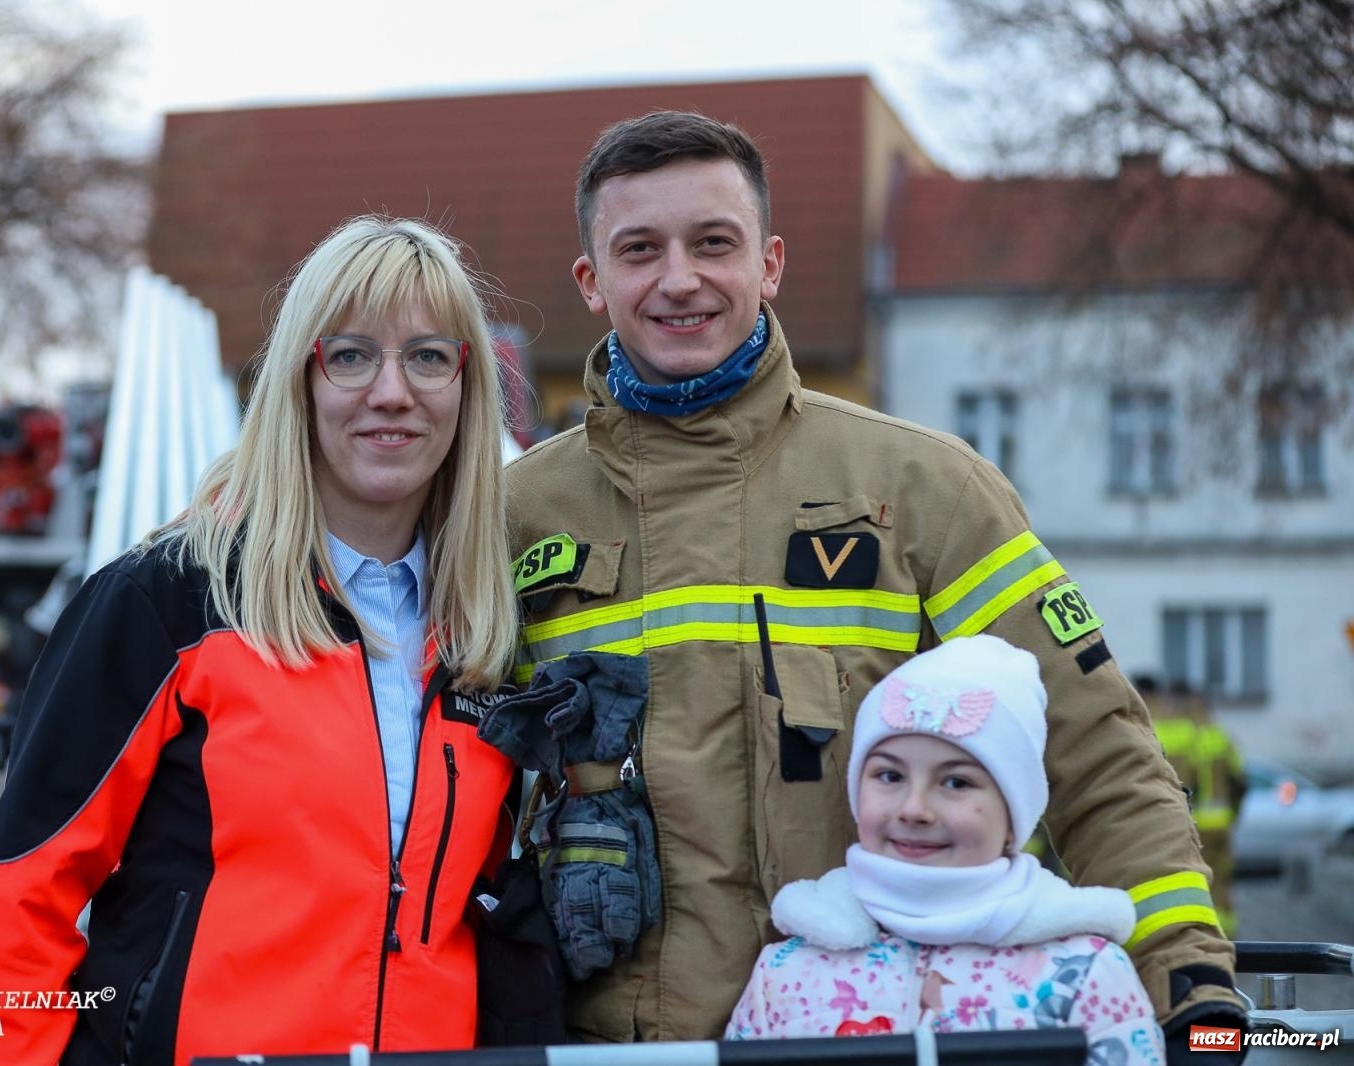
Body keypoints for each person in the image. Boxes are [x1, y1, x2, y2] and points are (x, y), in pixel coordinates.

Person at [504, 111, 1246, 1058]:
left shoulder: (925, 491)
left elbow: (1095, 752)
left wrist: (1191, 992)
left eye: (714, 243)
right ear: (592, 282)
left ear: (770, 264)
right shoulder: (511, 514)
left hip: (866, 1041)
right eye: (639, 249)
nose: (679, 278)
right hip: (603, 1046)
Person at [0, 216, 521, 1065]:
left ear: (466, 389)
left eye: (429, 357)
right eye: (352, 355)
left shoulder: (493, 628)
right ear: (301, 379)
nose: (392, 392)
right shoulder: (165, 603)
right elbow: (18, 902)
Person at [726, 636, 1165, 1064]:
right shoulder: (785, 971)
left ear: (1015, 815)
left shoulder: (1085, 972)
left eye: (955, 782)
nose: (914, 808)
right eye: (889, 776)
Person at [1140, 677, 1247, 937]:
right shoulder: (1219, 735)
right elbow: (1240, 781)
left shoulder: (1170, 732)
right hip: (1221, 821)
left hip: (1193, 820)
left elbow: (1185, 780)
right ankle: (1228, 937)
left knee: (1190, 883)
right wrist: (1232, 814)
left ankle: (1203, 937)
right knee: (1221, 881)